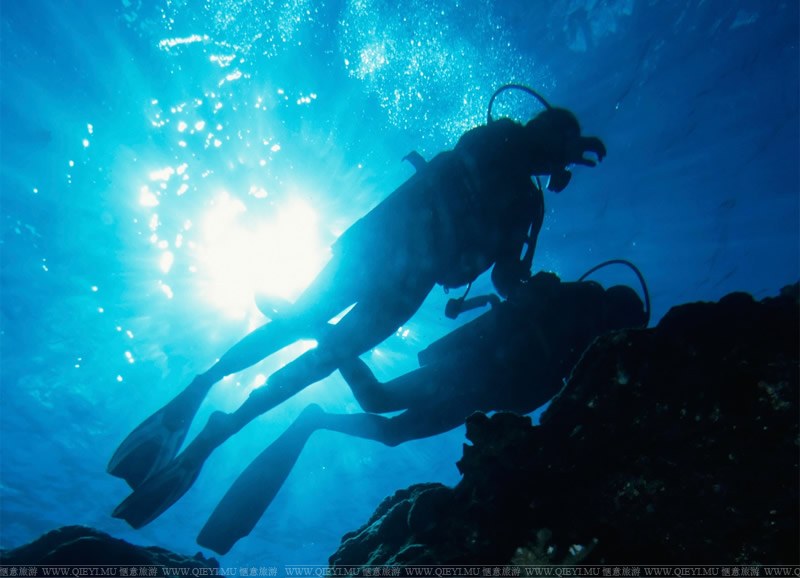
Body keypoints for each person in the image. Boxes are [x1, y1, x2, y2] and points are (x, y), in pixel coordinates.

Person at [108, 85, 607, 528]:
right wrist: (559, 145)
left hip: (406, 287)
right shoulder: (499, 138)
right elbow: (483, 150)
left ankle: (219, 432)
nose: (557, 169)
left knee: (318, 361)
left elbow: (504, 274)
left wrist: (530, 289)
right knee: (298, 322)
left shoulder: (528, 204)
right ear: (542, 132)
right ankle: (202, 387)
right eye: (556, 151)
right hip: (378, 246)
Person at [195, 271, 649, 554]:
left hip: (478, 390)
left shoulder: (585, 347)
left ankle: (315, 416)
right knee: (379, 402)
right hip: (469, 369)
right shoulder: (576, 304)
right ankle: (322, 329)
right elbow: (518, 302)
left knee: (390, 428)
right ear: (619, 312)